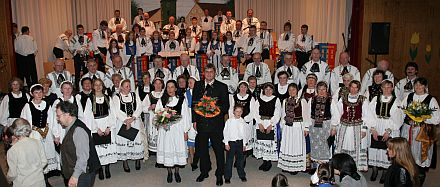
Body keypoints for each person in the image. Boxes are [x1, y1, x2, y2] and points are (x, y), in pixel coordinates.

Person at [192, 63, 229, 185]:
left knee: (218, 150)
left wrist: (213, 108)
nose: (208, 74)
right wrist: (194, 120)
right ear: (204, 73)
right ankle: (204, 170)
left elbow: (226, 106)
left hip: (216, 124)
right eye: (206, 72)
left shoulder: (222, 87)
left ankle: (219, 174)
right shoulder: (197, 85)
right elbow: (194, 104)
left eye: (211, 72)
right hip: (202, 123)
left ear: (215, 73)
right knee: (202, 149)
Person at [400, 77, 440, 185]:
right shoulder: (409, 96)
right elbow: (401, 109)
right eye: (416, 85)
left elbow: (437, 119)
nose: (418, 87)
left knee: (419, 157)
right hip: (408, 129)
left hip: (422, 132)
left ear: (425, 87)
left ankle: (419, 180)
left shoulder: (431, 99)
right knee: (407, 155)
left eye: (421, 85)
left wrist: (422, 118)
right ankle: (407, 177)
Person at [20, 84, 59, 186]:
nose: (39, 94)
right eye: (36, 92)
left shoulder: (47, 104)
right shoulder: (28, 106)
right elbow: (24, 122)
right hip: (34, 134)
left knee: (47, 153)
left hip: (46, 133)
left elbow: (52, 120)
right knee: (38, 156)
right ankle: (42, 180)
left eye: (40, 92)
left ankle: (46, 179)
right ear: (32, 94)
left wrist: (56, 135)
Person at [56, 101, 100, 187]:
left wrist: (75, 176)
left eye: (58, 116)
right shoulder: (70, 126)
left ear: (67, 114)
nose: (57, 119)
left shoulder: (78, 130)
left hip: (82, 174)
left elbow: (83, 158)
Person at [154, 80, 191, 183]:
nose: (170, 89)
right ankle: (169, 172)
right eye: (168, 87)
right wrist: (162, 121)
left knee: (177, 148)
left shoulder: (181, 99)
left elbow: (185, 116)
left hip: (178, 129)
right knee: (167, 149)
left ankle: (176, 172)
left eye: (172, 87)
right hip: (166, 130)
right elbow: (157, 114)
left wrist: (185, 131)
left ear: (175, 88)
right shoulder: (162, 100)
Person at [367, 80, 403, 183]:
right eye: (384, 87)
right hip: (377, 125)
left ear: (392, 88)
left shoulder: (396, 101)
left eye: (389, 87)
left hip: (389, 126)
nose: (386, 89)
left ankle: (384, 173)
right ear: (381, 88)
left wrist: (389, 131)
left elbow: (398, 118)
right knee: (374, 148)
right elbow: (370, 114)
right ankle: (374, 171)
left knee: (386, 150)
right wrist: (373, 129)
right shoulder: (375, 99)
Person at [331, 80, 369, 171]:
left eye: (356, 87)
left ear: (359, 88)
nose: (353, 89)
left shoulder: (363, 99)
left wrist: (364, 129)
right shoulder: (343, 98)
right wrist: (334, 126)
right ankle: (341, 165)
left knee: (355, 146)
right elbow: (338, 112)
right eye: (352, 87)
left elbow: (366, 115)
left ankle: (354, 166)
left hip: (357, 127)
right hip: (344, 126)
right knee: (342, 145)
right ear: (349, 87)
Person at [84, 78, 117, 180]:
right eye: (96, 85)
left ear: (103, 86)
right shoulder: (90, 99)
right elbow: (88, 115)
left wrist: (109, 127)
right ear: (93, 87)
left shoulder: (108, 98)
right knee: (98, 149)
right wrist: (95, 129)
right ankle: (100, 169)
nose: (98, 87)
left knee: (108, 146)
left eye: (100, 85)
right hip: (96, 124)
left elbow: (113, 113)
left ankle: (107, 168)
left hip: (107, 123)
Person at [112, 79, 145, 172]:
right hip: (122, 122)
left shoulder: (134, 95)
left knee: (137, 140)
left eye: (129, 86)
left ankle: (137, 159)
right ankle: (125, 161)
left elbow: (140, 107)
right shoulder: (116, 97)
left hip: (134, 121)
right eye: (126, 86)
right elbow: (116, 111)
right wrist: (126, 121)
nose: (129, 88)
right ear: (121, 87)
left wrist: (133, 118)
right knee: (124, 141)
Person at [278, 83, 309, 174]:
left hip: (297, 127)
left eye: (293, 89)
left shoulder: (302, 101)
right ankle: (286, 165)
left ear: (297, 90)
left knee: (296, 146)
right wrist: (282, 126)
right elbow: (283, 114)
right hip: (288, 127)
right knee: (287, 145)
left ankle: (295, 166)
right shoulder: (285, 101)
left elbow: (305, 115)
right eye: (290, 90)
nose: (292, 91)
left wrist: (306, 128)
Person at [6, 118, 47, 187]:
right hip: (39, 182)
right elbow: (44, 161)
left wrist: (8, 179)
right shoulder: (37, 142)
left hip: (23, 183)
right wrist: (35, 171)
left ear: (15, 131)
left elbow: (12, 174)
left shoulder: (13, 150)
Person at [254, 83, 281, 172]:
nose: (268, 91)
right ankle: (264, 161)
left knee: (269, 143)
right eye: (266, 89)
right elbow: (255, 112)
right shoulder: (259, 99)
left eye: (270, 89)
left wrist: (271, 124)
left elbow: (278, 113)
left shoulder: (276, 100)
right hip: (261, 123)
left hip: (270, 123)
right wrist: (260, 123)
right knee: (262, 142)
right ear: (263, 90)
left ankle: (268, 162)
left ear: (273, 90)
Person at [228, 81, 256, 166]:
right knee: (237, 140)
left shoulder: (251, 98)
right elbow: (231, 109)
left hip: (246, 123)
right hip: (236, 123)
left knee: (244, 141)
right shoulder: (234, 97)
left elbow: (253, 111)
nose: (243, 89)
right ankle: (237, 159)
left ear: (247, 88)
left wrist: (244, 120)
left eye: (245, 87)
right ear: (238, 88)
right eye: (241, 87)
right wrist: (234, 119)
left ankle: (242, 160)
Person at [309, 82, 333, 164]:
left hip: (326, 124)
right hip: (313, 125)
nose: (321, 91)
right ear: (317, 90)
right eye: (319, 89)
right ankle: (315, 165)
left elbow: (335, 114)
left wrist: (334, 127)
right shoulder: (312, 99)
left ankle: (324, 165)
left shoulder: (331, 100)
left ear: (326, 89)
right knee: (314, 144)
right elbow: (308, 112)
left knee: (324, 143)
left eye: (323, 89)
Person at [223, 105, 248, 184]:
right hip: (231, 143)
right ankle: (227, 177)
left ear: (242, 112)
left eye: (240, 111)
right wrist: (226, 143)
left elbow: (244, 133)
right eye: (237, 111)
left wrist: (244, 144)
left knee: (240, 160)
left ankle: (242, 175)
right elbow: (225, 132)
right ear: (233, 112)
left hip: (240, 143)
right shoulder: (229, 121)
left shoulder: (242, 121)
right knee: (229, 160)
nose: (238, 113)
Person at [143, 78, 164, 155]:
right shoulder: (149, 95)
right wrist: (149, 107)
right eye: (156, 83)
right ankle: (153, 150)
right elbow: (142, 107)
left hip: (163, 118)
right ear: (153, 85)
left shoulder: (165, 94)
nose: (158, 85)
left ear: (162, 85)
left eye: (160, 83)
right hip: (152, 118)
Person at [70, 24, 91, 88]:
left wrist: (87, 49)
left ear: (83, 29)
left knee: (86, 71)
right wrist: (76, 51)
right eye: (79, 29)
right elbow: (70, 47)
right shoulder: (74, 38)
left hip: (85, 56)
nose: (80, 31)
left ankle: (86, 85)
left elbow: (91, 45)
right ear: (77, 30)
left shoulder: (86, 38)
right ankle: (77, 86)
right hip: (77, 56)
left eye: (81, 29)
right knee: (77, 71)